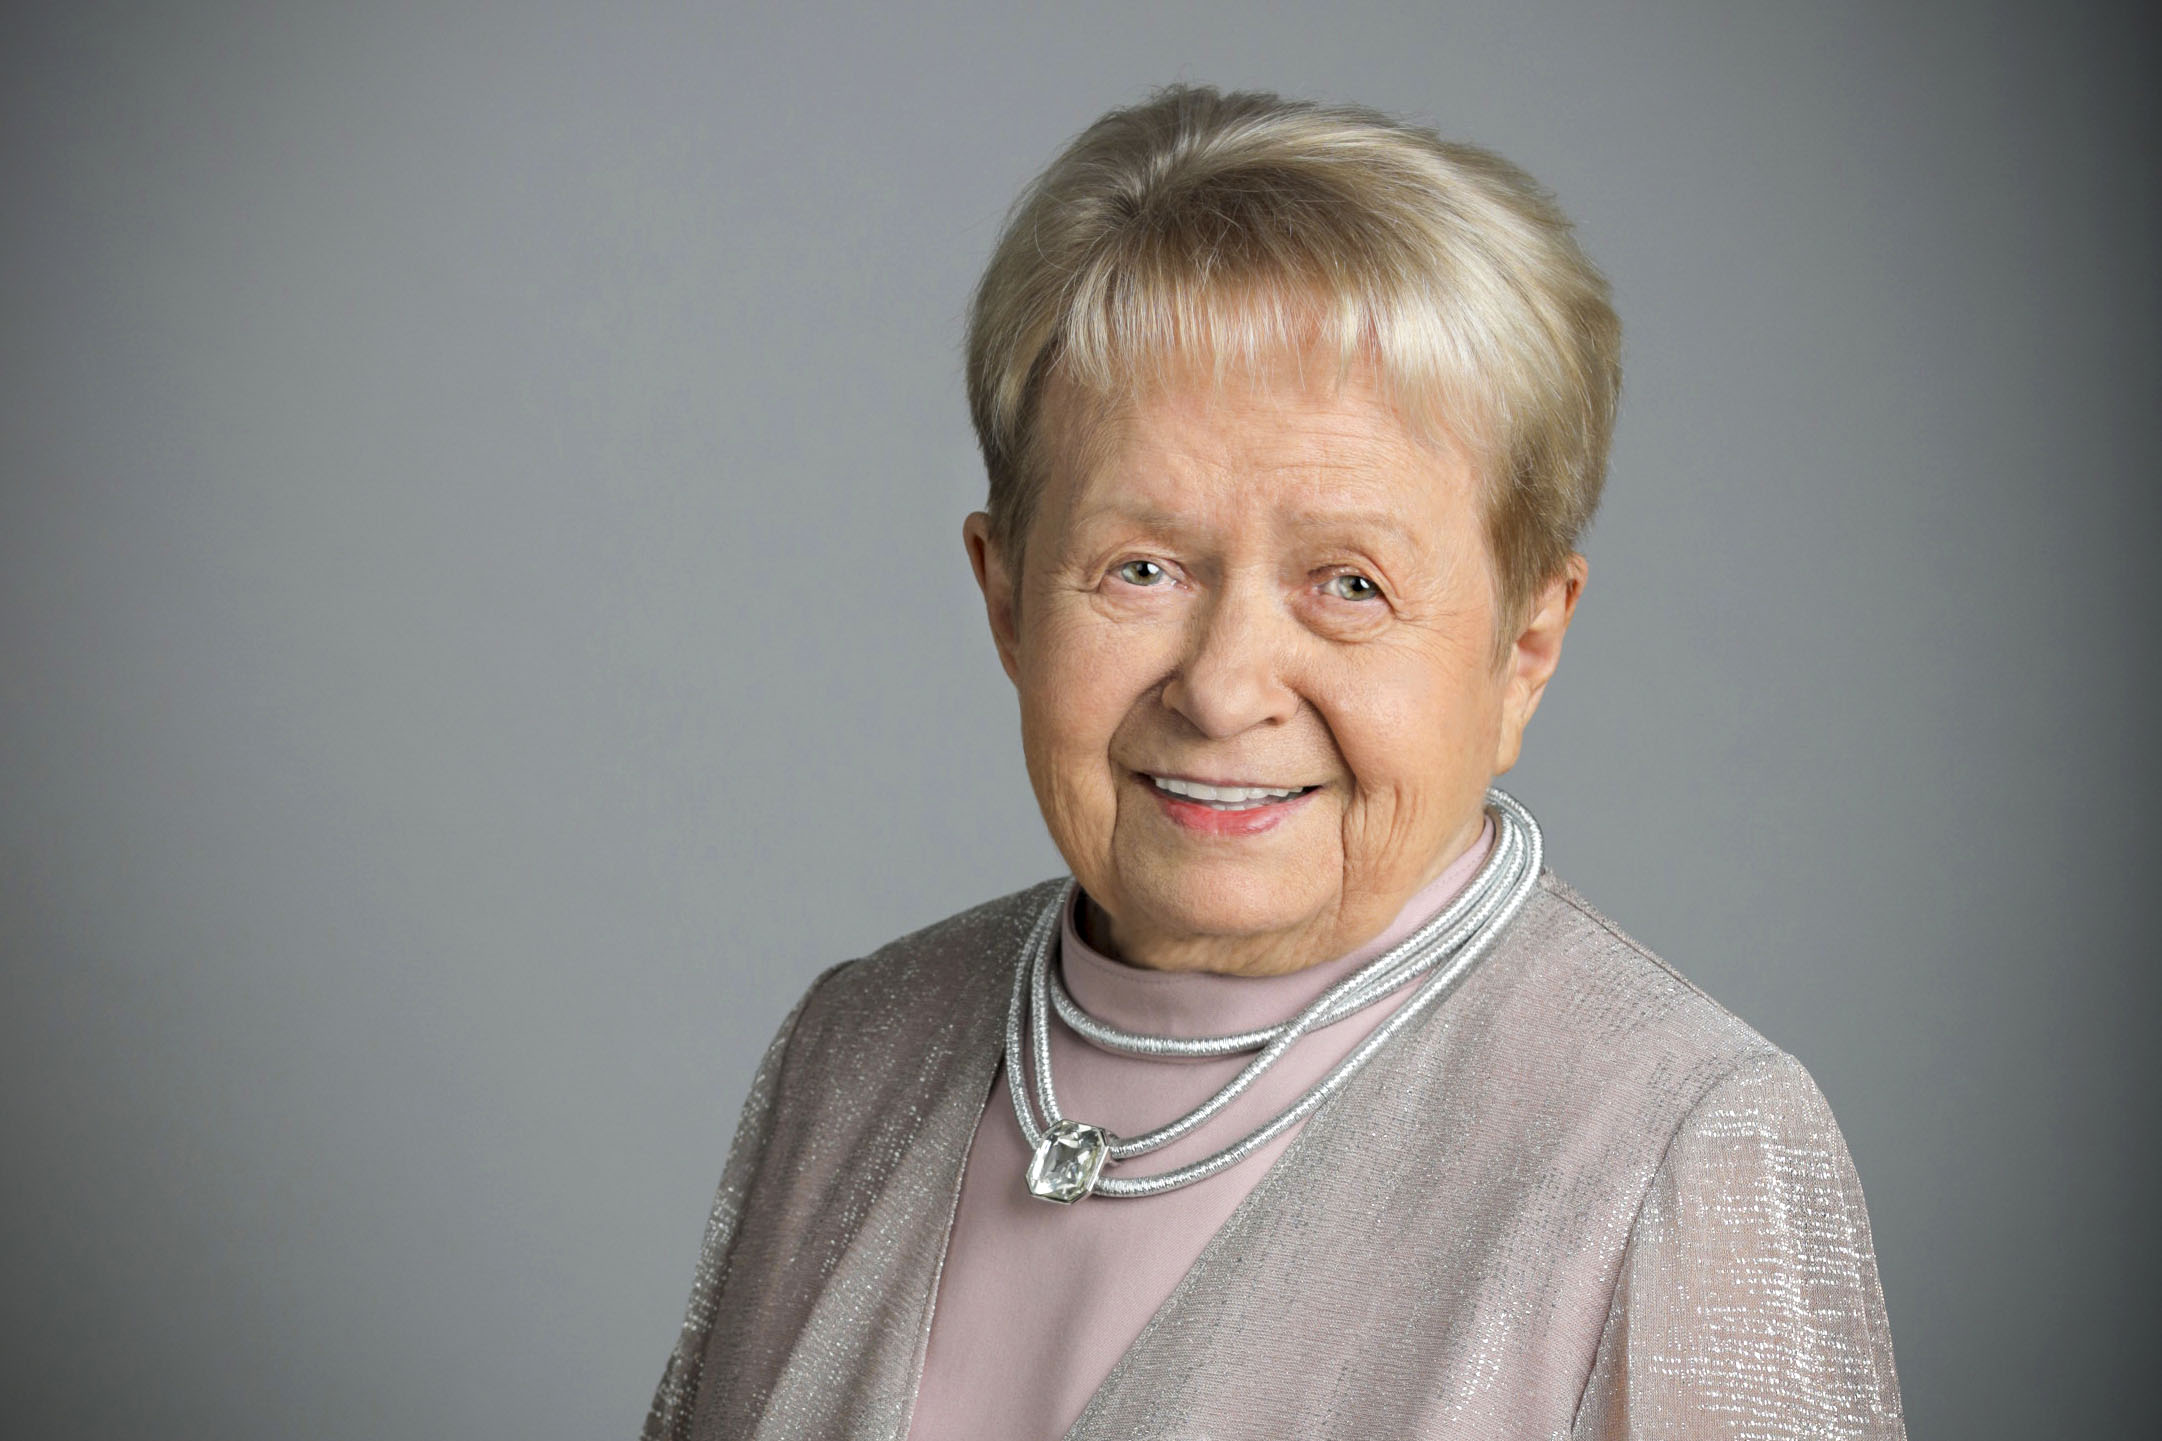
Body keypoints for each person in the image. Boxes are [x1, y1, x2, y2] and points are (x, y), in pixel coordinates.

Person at [643, 85, 1906, 1440]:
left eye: (1349, 584)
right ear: (1004, 596)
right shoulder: (853, 1052)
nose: (1223, 687)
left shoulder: (1674, 1144)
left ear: (1525, 645)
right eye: (1142, 567)